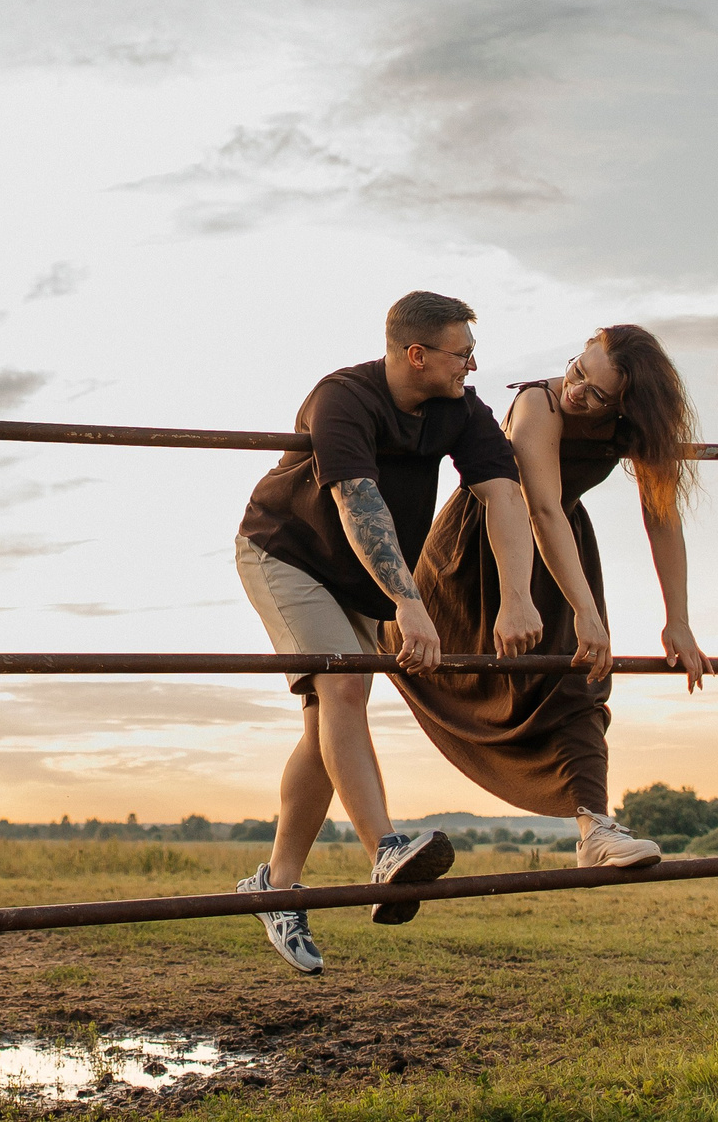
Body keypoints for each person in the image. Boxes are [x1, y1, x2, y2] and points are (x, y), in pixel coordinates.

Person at [231, 291, 542, 974]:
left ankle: (275, 884)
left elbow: (502, 495)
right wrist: (411, 601)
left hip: (363, 576)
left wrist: (516, 599)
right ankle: (386, 850)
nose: (472, 364)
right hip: (288, 552)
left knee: (326, 721)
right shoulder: (342, 397)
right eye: (462, 353)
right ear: (416, 354)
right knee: (345, 690)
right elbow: (356, 500)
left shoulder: (461, 409)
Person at [387, 324, 712, 869]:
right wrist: (586, 611)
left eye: (596, 392)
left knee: (583, 675)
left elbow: (662, 516)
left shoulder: (640, 428)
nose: (575, 388)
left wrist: (677, 618)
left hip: (564, 545)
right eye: (578, 368)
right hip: (485, 547)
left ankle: (594, 829)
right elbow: (539, 508)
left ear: (628, 406)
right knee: (473, 661)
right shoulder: (539, 404)